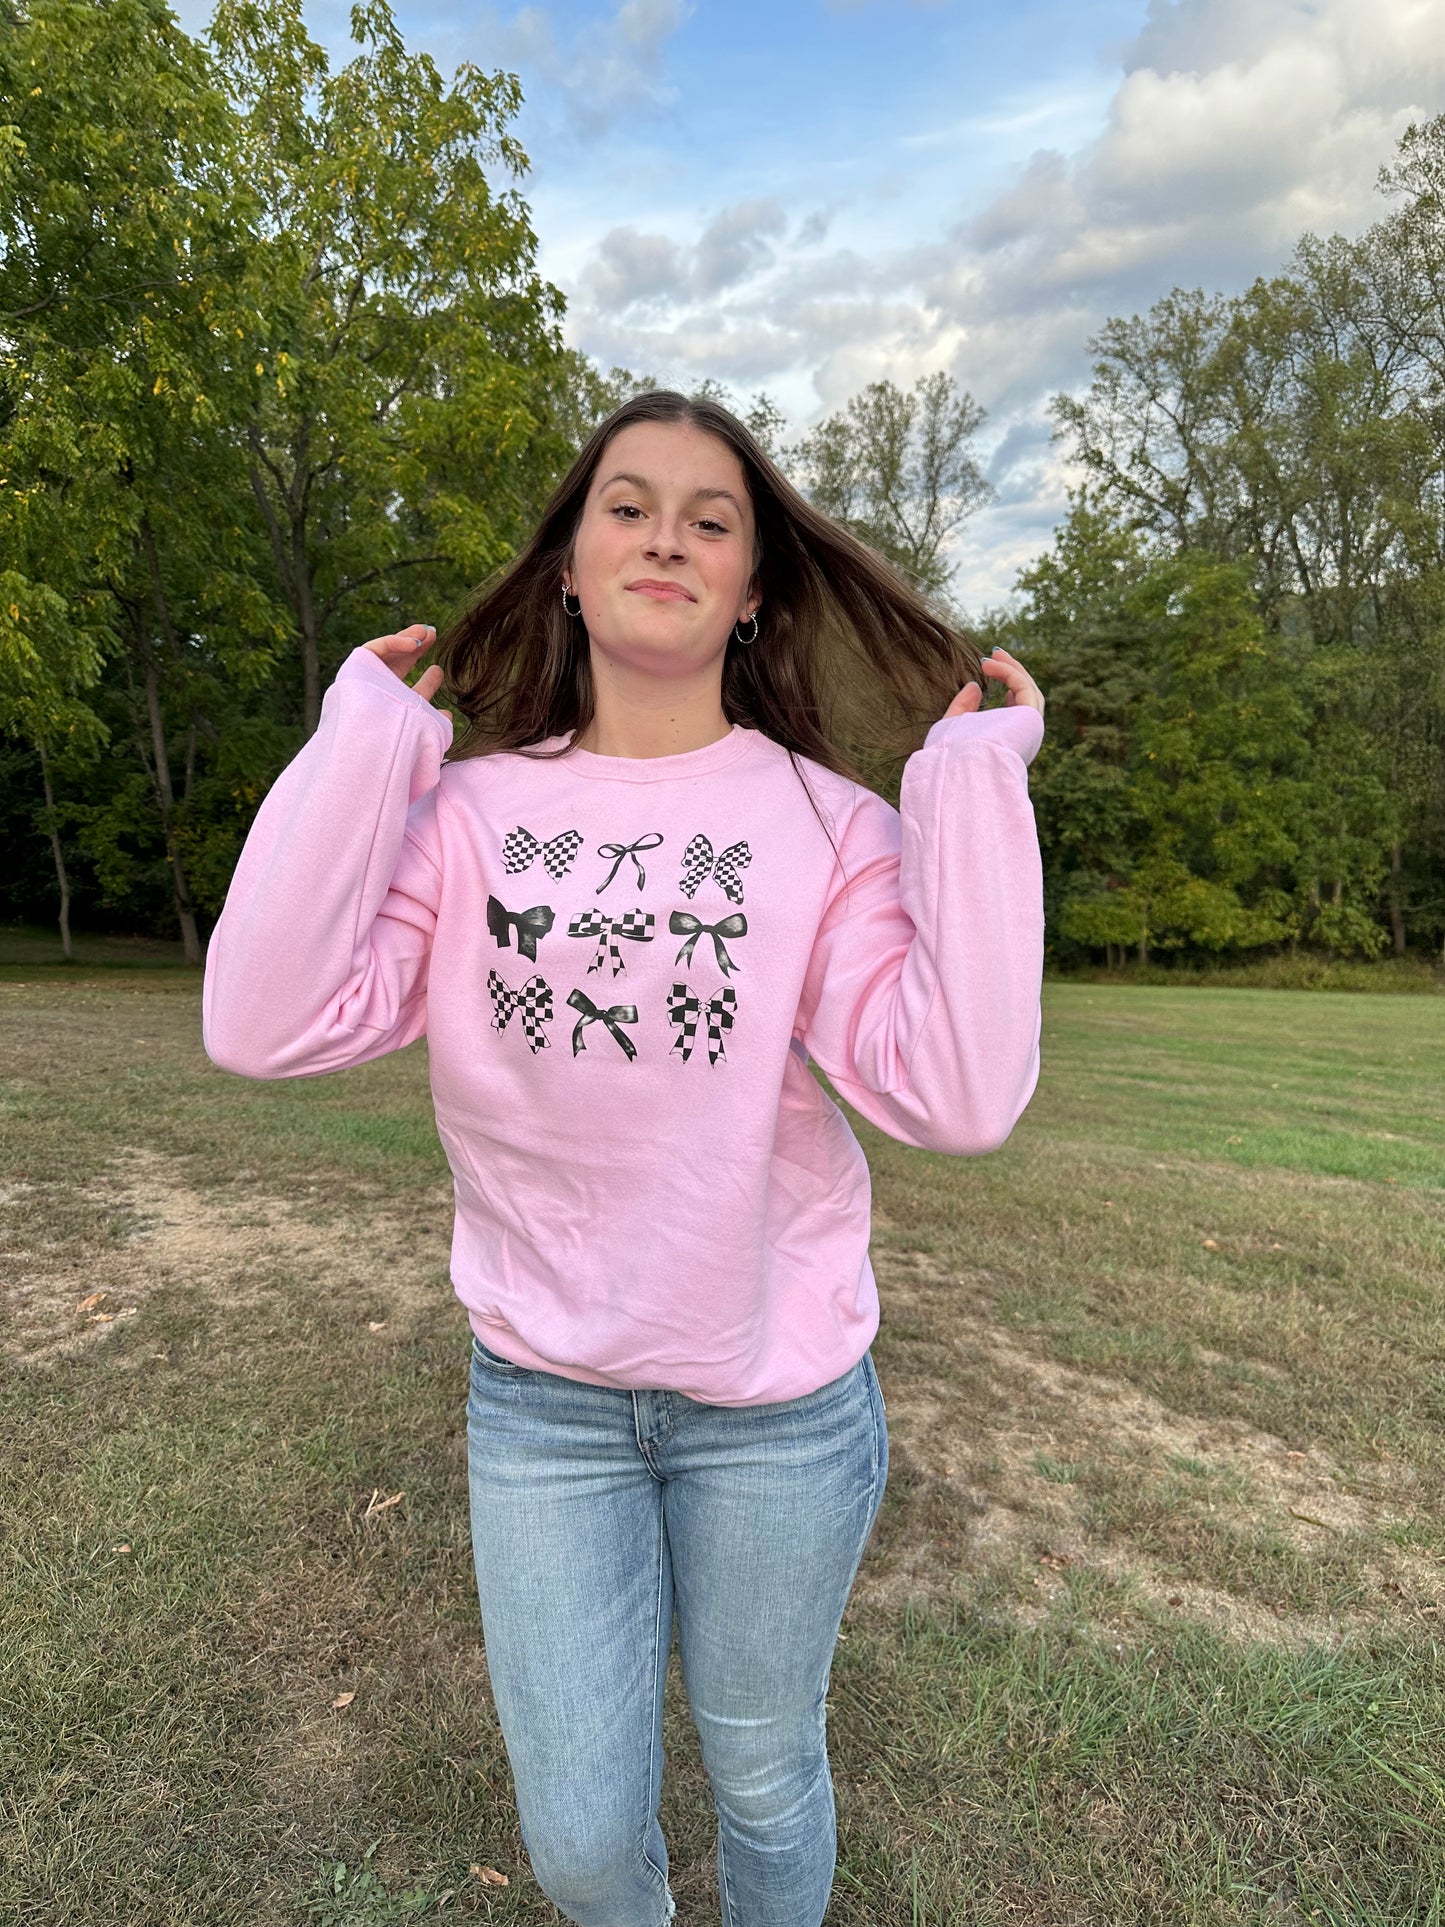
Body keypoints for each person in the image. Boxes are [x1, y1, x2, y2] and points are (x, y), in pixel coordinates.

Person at [202, 388, 1046, 1927]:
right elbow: (261, 1023)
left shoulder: (826, 823)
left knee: (765, 1770)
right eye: (628, 505)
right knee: (584, 1841)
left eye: (711, 518)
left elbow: (962, 1094)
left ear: (753, 586)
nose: (668, 533)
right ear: (571, 568)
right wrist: (363, 742)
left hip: (777, 1414)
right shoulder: (463, 819)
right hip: (544, 1411)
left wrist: (973, 792)